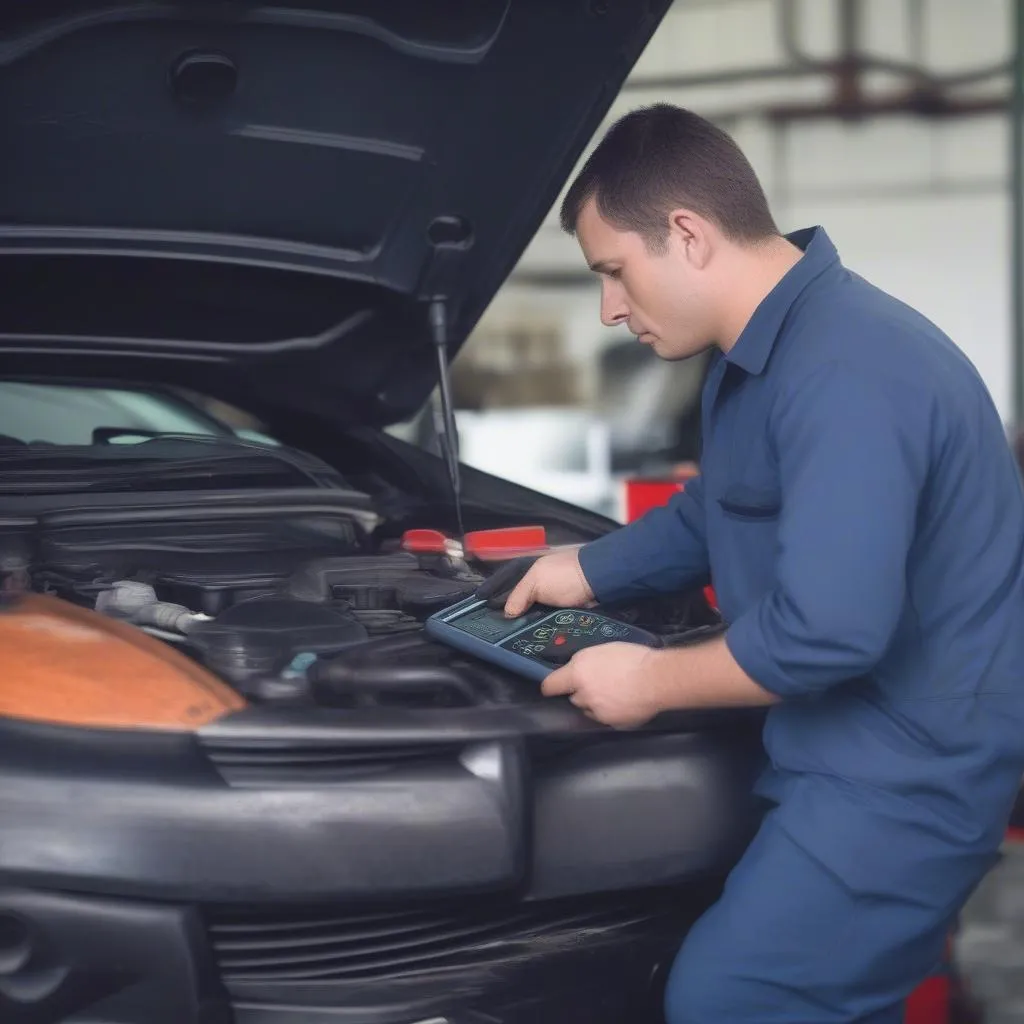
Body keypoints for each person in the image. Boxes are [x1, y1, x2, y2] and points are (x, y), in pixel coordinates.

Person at [477, 104, 1024, 1023]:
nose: (610, 308)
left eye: (613, 271)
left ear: (686, 234)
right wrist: (593, 570)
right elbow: (717, 509)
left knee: (736, 997)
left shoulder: (848, 367)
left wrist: (650, 680)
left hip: (906, 773)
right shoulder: (766, 355)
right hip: (835, 745)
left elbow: (828, 633)